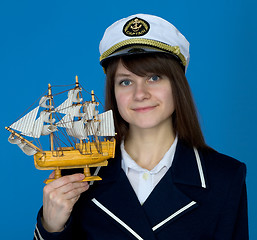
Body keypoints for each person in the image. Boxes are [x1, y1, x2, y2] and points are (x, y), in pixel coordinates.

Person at [34, 14, 249, 240]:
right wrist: (51, 228)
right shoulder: (76, 178)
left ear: (178, 82)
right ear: (113, 91)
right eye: (126, 82)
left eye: (154, 78)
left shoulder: (224, 177)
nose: (140, 94)